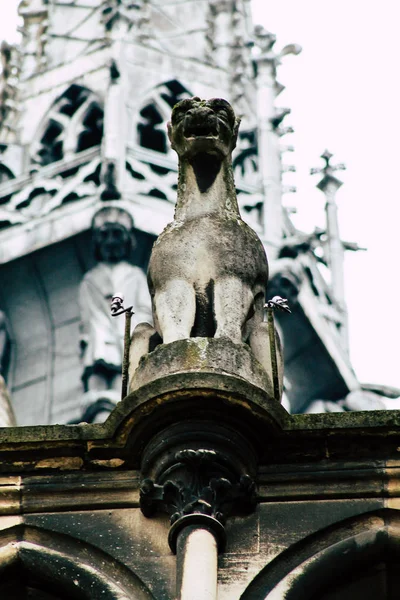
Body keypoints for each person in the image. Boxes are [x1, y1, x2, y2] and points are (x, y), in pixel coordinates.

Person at [79, 206, 153, 395]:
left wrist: (129, 320)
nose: (111, 241)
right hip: (100, 332)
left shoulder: (135, 275)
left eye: (116, 236)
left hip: (125, 331)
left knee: (124, 375)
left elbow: (144, 308)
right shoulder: (90, 278)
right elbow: (87, 315)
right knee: (98, 368)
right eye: (106, 236)